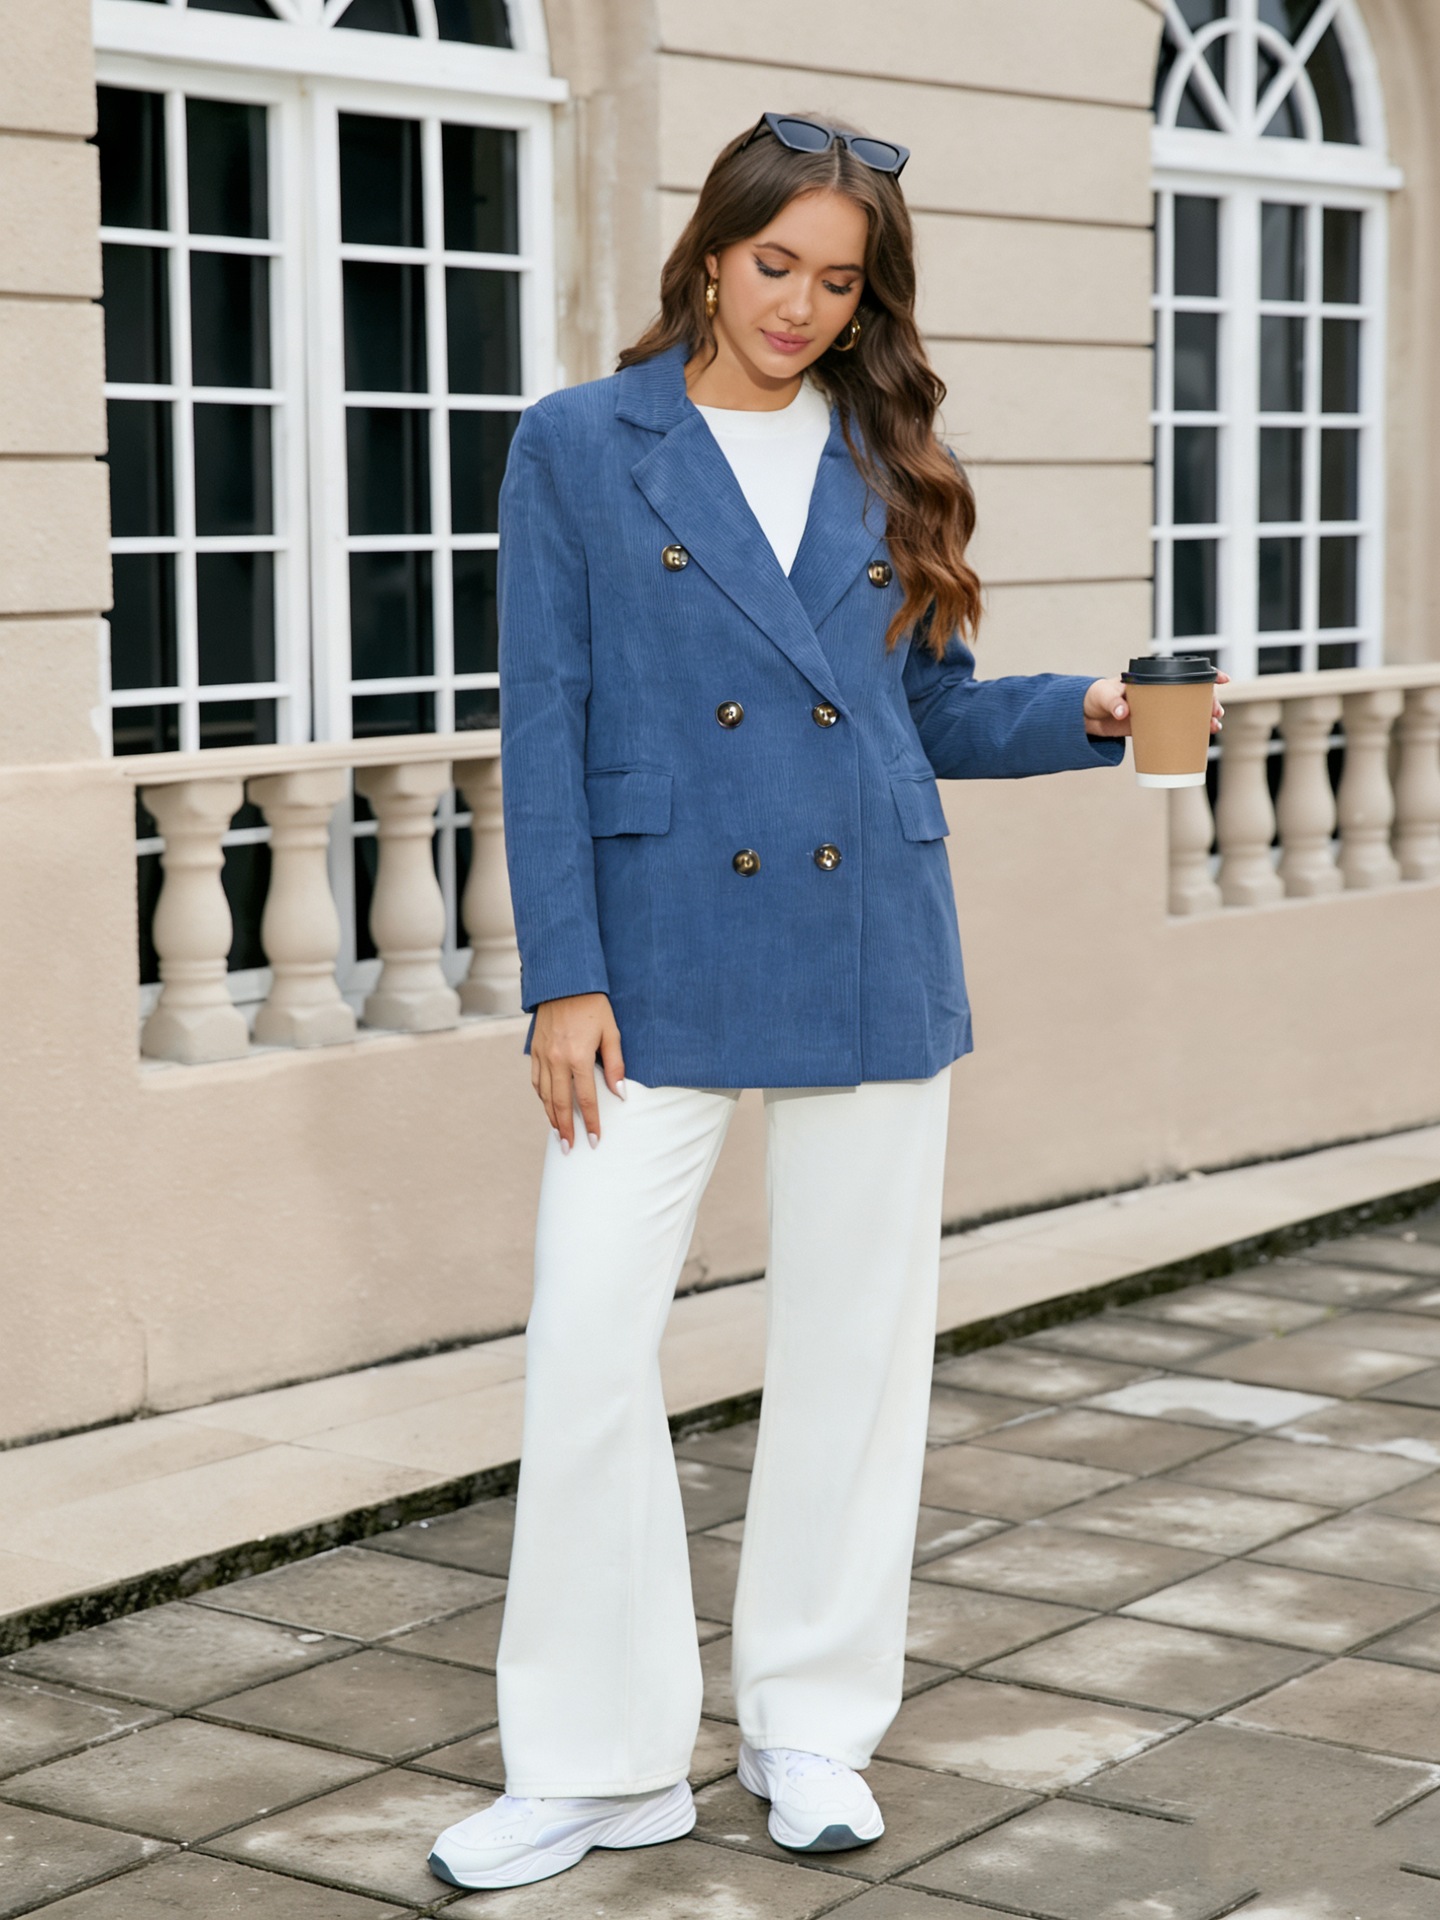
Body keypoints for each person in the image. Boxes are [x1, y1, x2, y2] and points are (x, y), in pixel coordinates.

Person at [427, 111, 1223, 1894]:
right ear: (711, 256)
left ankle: (809, 1726)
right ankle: (596, 1764)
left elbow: (920, 714)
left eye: (838, 282)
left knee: (855, 1354)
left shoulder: (885, 456)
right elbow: (541, 725)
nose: (798, 305)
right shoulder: (581, 442)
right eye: (773, 263)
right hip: (652, 953)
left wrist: (1088, 713)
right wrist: (564, 976)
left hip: (868, 935)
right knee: (587, 1346)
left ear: (869, 301)